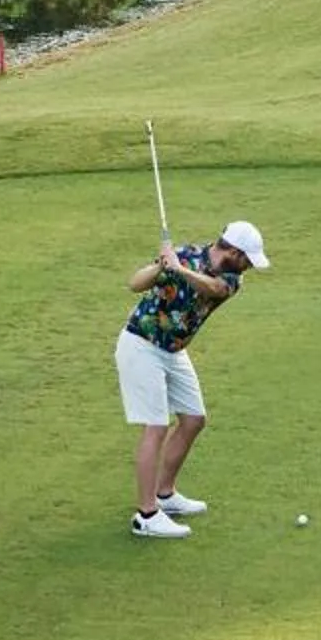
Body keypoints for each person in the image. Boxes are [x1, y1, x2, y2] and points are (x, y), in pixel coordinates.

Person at [116, 220, 270, 538]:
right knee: (155, 426)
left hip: (173, 351)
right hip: (141, 344)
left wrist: (179, 270)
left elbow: (212, 289)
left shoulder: (230, 279)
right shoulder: (184, 254)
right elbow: (135, 284)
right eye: (247, 259)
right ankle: (146, 515)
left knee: (193, 419)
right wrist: (162, 266)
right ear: (232, 251)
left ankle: (165, 494)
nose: (249, 267)